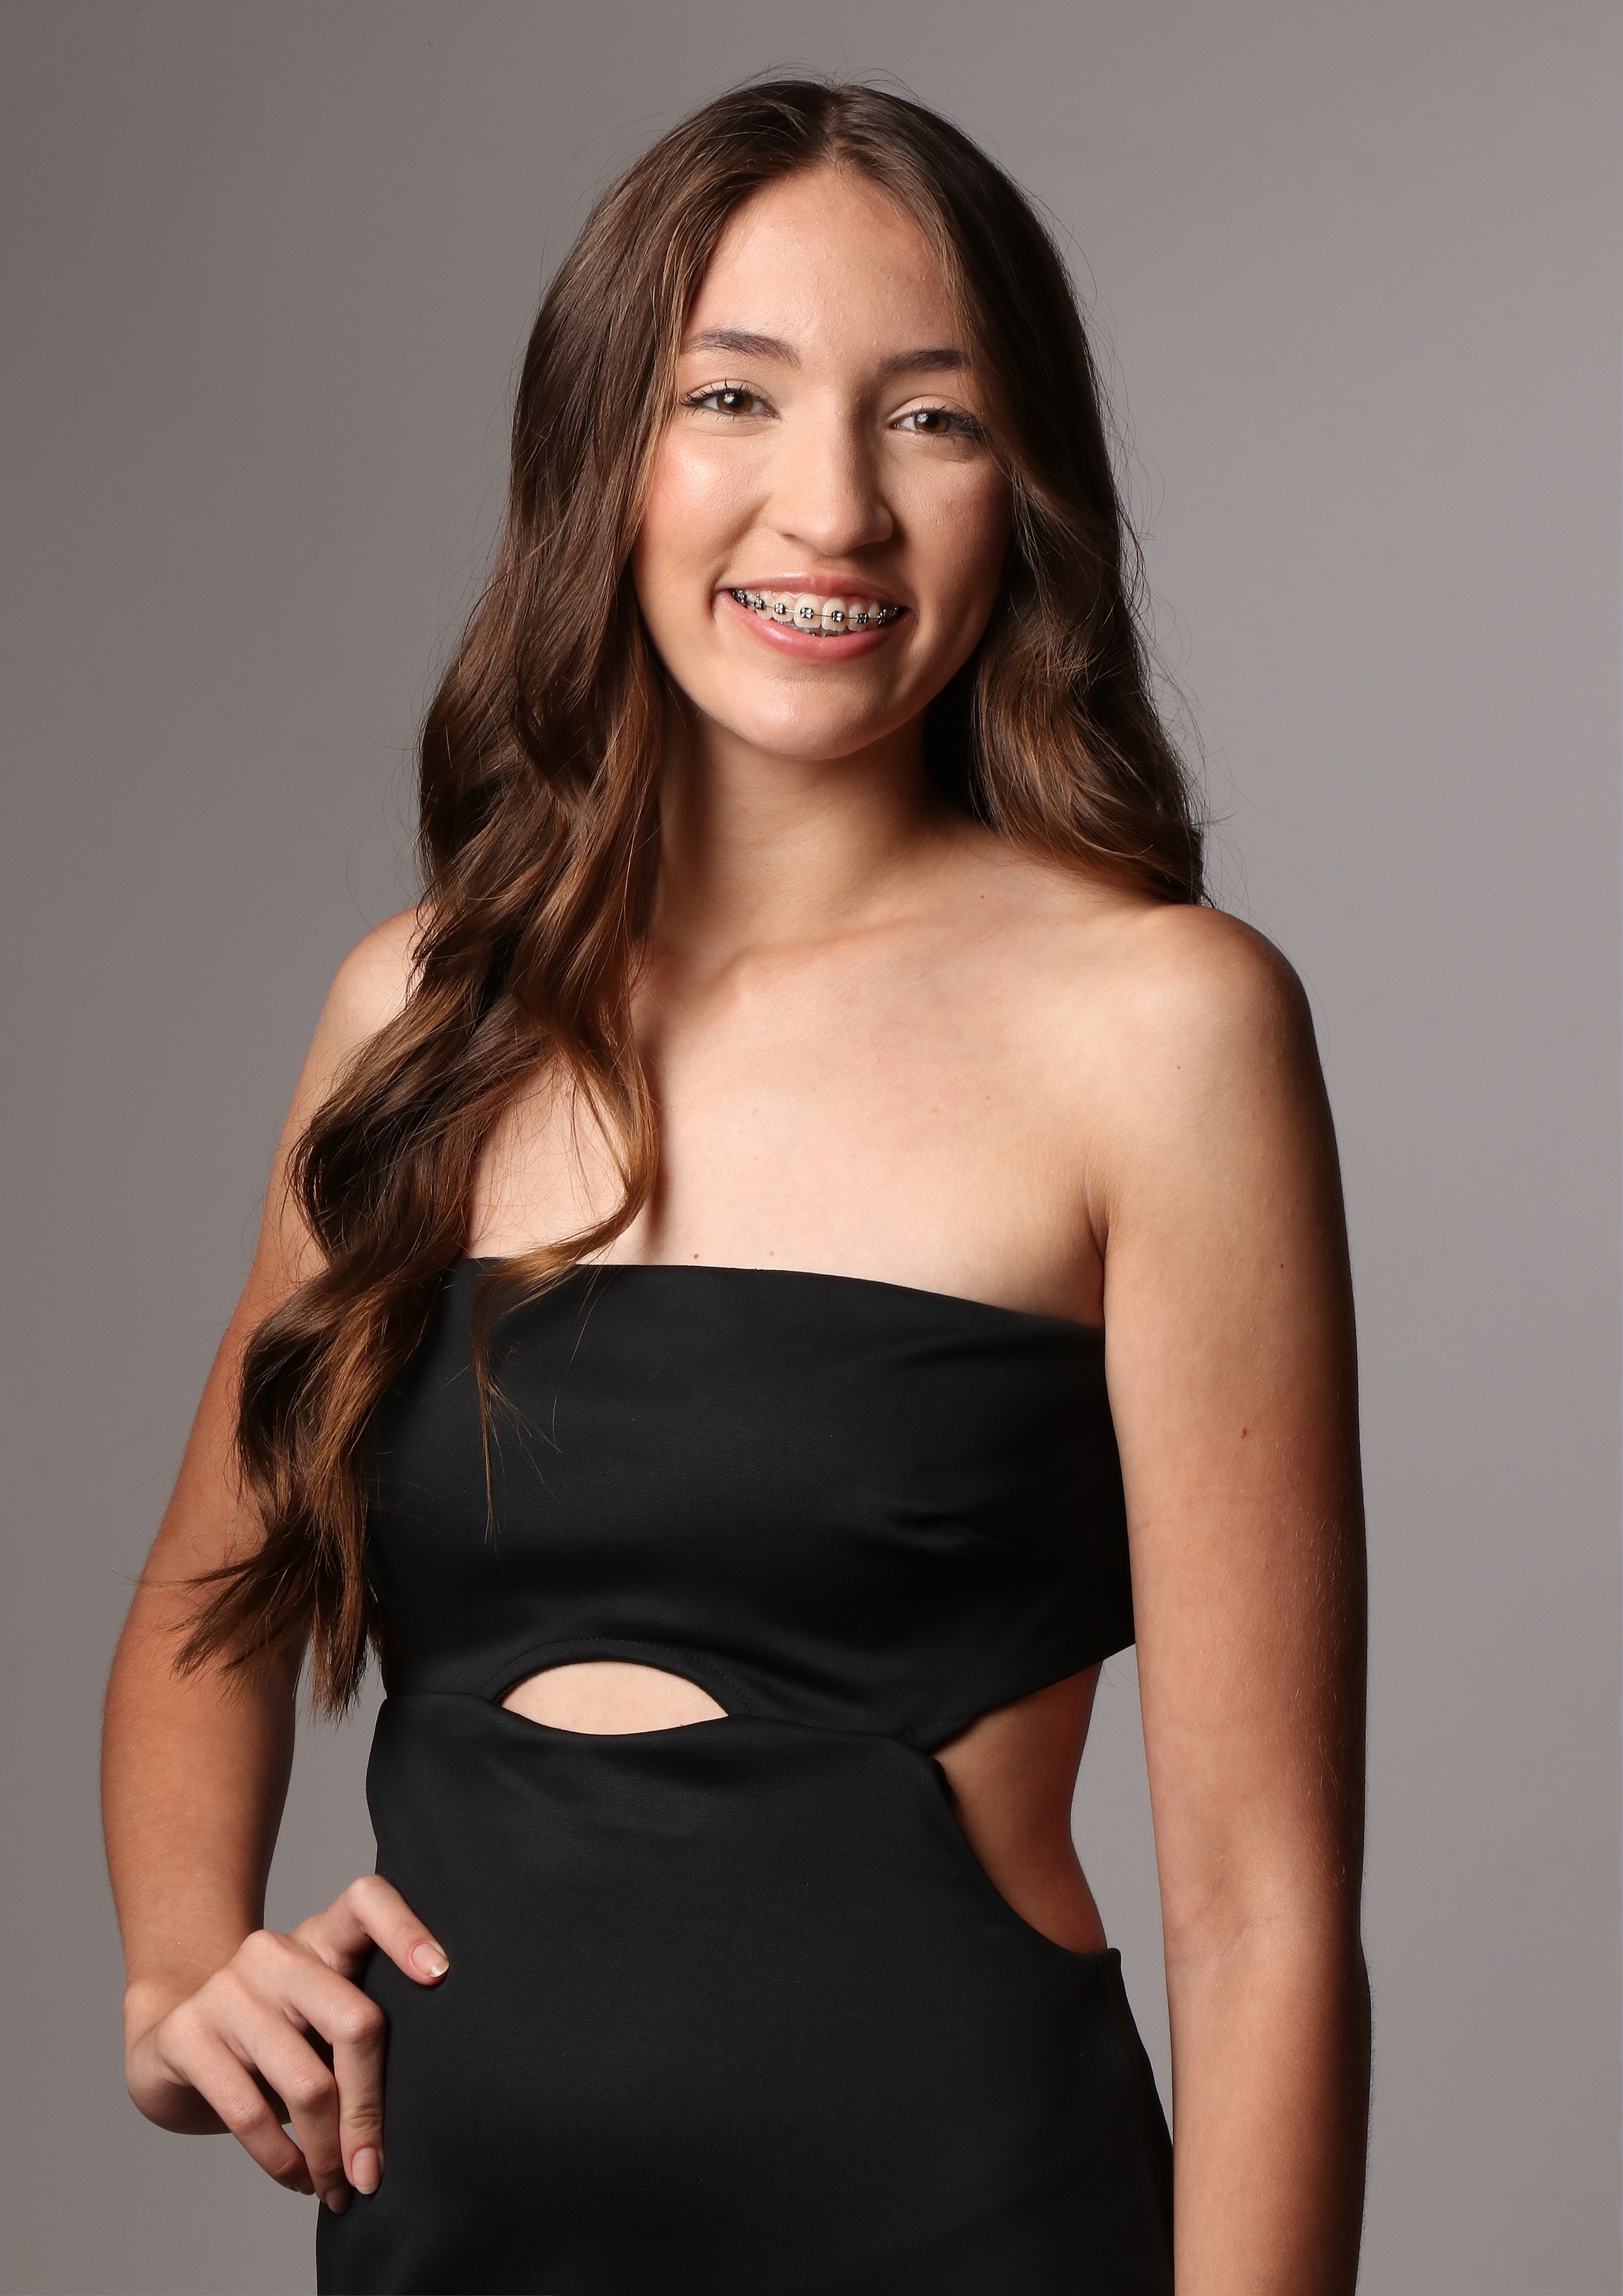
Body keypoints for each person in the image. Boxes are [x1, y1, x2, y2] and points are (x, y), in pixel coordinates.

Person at [100, 78, 1370, 2295]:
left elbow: (1262, 1911)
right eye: (730, 397)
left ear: (1024, 492)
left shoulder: (1162, 1027)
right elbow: (211, 1601)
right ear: (605, 455)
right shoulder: (419, 1006)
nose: (834, 508)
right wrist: (177, 1974)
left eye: (931, 419)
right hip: (452, 2255)